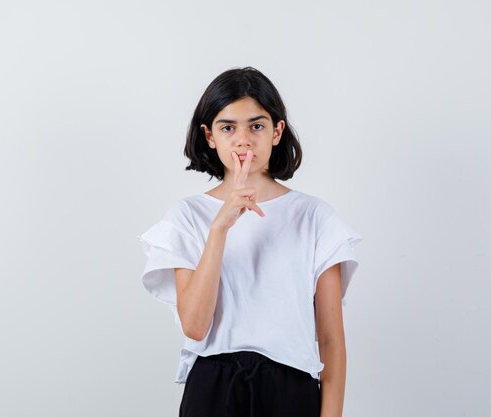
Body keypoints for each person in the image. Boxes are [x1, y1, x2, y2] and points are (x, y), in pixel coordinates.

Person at [136, 66, 363, 417]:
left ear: (277, 131)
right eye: (228, 127)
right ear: (209, 136)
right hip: (213, 387)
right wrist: (220, 228)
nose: (243, 140)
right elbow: (195, 327)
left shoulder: (315, 218)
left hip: (291, 388)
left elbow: (331, 341)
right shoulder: (186, 216)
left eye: (256, 126)